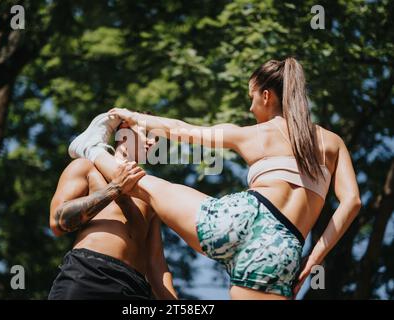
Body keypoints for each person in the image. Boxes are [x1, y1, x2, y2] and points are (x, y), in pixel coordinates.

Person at [69, 57, 361, 299]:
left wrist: (132, 115)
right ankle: (95, 150)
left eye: (252, 98)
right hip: (283, 248)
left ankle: (93, 150)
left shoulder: (251, 134)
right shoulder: (332, 143)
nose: (250, 108)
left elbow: (182, 130)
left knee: (148, 186)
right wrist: (314, 258)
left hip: (239, 218)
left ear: (267, 96)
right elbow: (352, 202)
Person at [48, 120, 177, 300]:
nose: (153, 142)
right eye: (148, 134)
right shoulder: (87, 167)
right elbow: (57, 222)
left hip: (136, 287)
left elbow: (156, 265)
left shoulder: (150, 193)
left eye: (158, 139)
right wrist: (114, 189)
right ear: (124, 129)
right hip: (88, 273)